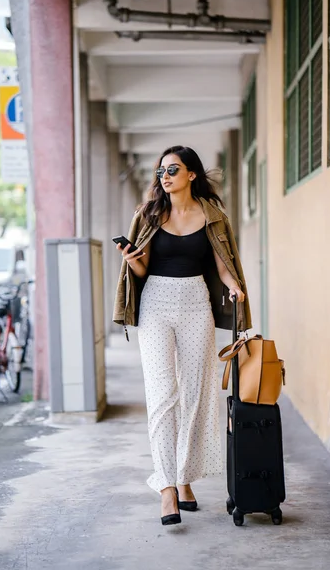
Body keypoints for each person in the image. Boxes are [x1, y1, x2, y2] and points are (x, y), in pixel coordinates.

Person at [113, 145, 252, 525]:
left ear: (192, 173)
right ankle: (168, 489)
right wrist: (132, 259)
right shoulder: (148, 214)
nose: (165, 176)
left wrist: (235, 287)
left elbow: (224, 264)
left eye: (173, 169)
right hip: (156, 303)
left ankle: (184, 477)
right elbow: (141, 271)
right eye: (161, 171)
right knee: (162, 395)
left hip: (196, 304)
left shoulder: (212, 216)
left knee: (195, 395)